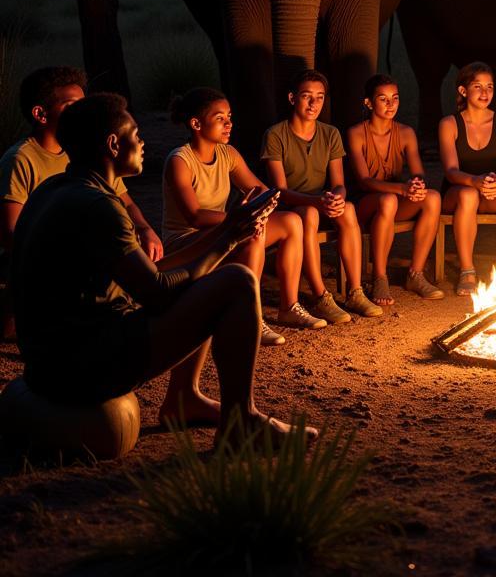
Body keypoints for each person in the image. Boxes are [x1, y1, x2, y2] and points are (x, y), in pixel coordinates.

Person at [11, 93, 314, 444]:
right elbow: (156, 293)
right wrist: (228, 240)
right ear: (113, 144)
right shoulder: (100, 207)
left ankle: (184, 397)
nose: (142, 142)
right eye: (136, 134)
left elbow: (143, 275)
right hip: (86, 364)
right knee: (238, 281)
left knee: (210, 274)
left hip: (48, 364)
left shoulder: (57, 189)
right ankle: (241, 420)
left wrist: (227, 232)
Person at [0, 67, 161, 340]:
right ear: (40, 114)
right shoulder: (20, 160)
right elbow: (12, 235)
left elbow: (126, 201)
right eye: (72, 105)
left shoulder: (81, 155)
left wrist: (144, 229)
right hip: (36, 267)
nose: (83, 111)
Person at [162, 87, 317, 352]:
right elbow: (195, 216)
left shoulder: (227, 154)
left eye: (230, 117)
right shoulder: (180, 160)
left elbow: (262, 192)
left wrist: (262, 209)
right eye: (220, 118)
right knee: (251, 237)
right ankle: (250, 317)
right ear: (196, 124)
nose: (229, 123)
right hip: (187, 242)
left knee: (291, 222)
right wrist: (238, 219)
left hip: (224, 231)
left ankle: (288, 306)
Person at [260, 70, 378, 322]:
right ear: (292, 98)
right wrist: (316, 201)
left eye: (320, 97)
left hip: (320, 202)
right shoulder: (276, 135)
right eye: (307, 96)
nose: (314, 104)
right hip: (293, 207)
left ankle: (355, 292)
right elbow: (279, 191)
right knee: (310, 213)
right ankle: (320, 296)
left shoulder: (330, 133)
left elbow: (339, 184)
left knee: (348, 208)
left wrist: (336, 197)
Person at [347, 74, 444, 304]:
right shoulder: (356, 133)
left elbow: (418, 171)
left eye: (395, 98)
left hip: (394, 199)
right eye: (383, 99)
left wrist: (416, 185)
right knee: (388, 200)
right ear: (369, 103)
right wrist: (402, 188)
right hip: (365, 205)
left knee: (432, 198)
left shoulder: (406, 132)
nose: (391, 105)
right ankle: (379, 277)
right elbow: (364, 181)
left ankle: (415, 274)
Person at [438, 62, 496, 296]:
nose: (485, 93)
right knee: (468, 194)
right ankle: (467, 270)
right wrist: (475, 181)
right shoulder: (449, 124)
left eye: (490, 87)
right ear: (463, 91)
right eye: (478, 86)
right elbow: (451, 172)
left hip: (491, 191)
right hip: (459, 193)